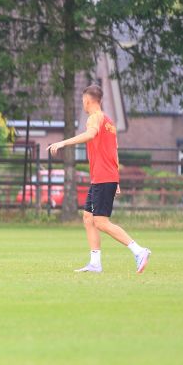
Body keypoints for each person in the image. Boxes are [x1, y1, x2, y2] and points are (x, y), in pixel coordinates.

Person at [48, 85, 151, 274]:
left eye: (82, 101)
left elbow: (90, 134)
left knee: (101, 222)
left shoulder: (94, 118)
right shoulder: (110, 122)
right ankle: (95, 263)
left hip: (103, 177)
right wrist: (117, 179)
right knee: (88, 218)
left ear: (88, 100)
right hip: (103, 177)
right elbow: (114, 151)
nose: (83, 105)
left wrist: (63, 142)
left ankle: (139, 251)